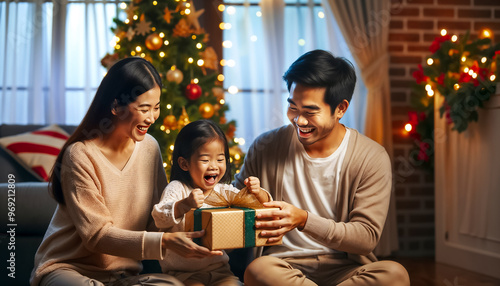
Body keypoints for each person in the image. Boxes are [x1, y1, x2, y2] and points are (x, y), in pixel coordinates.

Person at [30, 58, 222, 286]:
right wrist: (165, 241)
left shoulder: (149, 147)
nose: (152, 117)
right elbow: (97, 236)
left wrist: (185, 213)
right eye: (144, 109)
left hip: (125, 277)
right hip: (68, 269)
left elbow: (158, 219)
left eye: (157, 107)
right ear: (115, 107)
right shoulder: (80, 155)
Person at [233, 50, 410, 286]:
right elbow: (233, 203)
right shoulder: (266, 147)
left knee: (395, 275)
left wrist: (304, 220)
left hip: (346, 270)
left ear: (340, 108)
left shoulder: (371, 156)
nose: (299, 120)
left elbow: (366, 238)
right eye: (293, 107)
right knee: (258, 270)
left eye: (310, 111)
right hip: (283, 267)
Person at [151, 119, 271, 286]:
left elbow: (257, 206)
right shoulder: (178, 188)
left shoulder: (223, 191)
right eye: (205, 160)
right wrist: (184, 204)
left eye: (220, 159)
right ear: (184, 163)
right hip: (183, 273)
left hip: (220, 270)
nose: (214, 166)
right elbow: (159, 218)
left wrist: (258, 193)